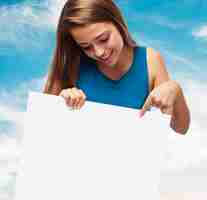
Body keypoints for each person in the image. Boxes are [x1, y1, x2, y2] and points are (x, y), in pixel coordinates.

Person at [43, 0, 190, 135]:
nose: (99, 52)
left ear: (118, 23)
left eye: (103, 39)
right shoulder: (72, 64)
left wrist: (175, 90)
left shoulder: (150, 60)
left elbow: (181, 128)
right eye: (86, 47)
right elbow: (44, 128)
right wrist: (60, 103)